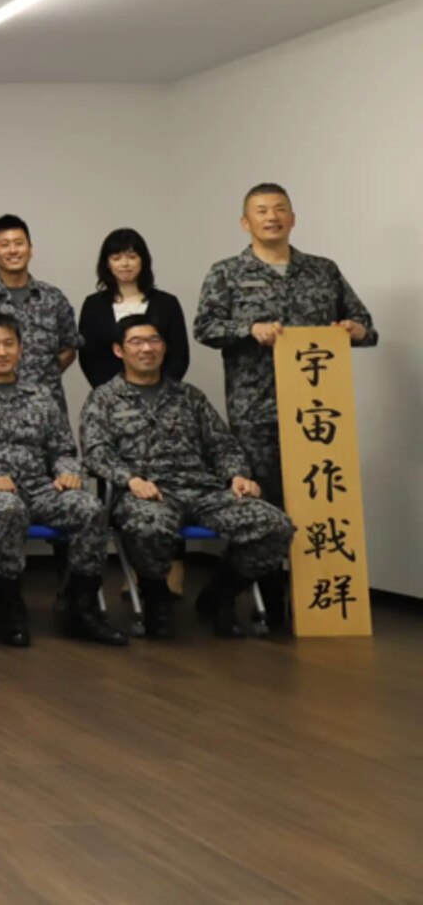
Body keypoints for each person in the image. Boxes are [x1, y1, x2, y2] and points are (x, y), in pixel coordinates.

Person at [82, 315, 296, 640]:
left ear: (164, 347)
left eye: (153, 340)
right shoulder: (104, 399)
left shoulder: (189, 397)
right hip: (147, 492)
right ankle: (156, 599)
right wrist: (129, 479)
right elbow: (96, 452)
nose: (146, 349)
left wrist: (237, 475)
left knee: (273, 525)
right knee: (147, 525)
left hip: (203, 489)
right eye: (136, 342)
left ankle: (220, 596)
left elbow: (222, 445)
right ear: (118, 350)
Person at [0, 313, 126, 648]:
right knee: (8, 510)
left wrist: (68, 471)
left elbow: (62, 448)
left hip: (40, 488)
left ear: (21, 349)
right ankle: (7, 606)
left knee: (90, 508)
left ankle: (80, 606)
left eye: (9, 344)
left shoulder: (41, 395)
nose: (1, 352)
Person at [195, 183, 376, 506]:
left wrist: (354, 330)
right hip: (256, 410)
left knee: (320, 500)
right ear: (245, 223)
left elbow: (365, 326)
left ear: (293, 219)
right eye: (261, 211)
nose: (272, 217)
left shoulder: (323, 270)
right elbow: (205, 327)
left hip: (318, 407)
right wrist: (249, 329)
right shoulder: (227, 273)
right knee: (263, 504)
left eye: (280, 209)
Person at [0, 215, 81, 420]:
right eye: (4, 245)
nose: (13, 250)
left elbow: (69, 347)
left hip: (45, 407)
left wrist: (44, 375)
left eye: (19, 243)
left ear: (30, 249)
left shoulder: (53, 298)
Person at [78, 228, 189, 390]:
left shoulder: (167, 303)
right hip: (110, 398)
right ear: (107, 264)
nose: (125, 264)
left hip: (162, 395)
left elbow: (179, 355)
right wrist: (110, 393)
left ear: (143, 261)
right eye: (116, 258)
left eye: (132, 257)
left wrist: (162, 390)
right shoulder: (93, 305)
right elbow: (89, 357)